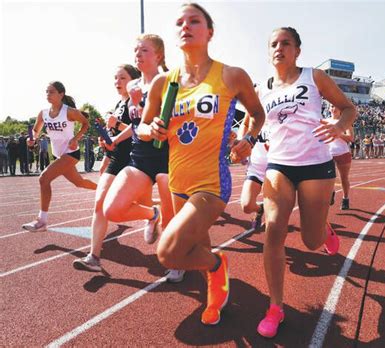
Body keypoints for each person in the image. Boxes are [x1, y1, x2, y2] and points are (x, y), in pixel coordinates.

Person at [137, 3, 264, 325]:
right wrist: (150, 128)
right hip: (177, 181)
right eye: (179, 22)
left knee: (168, 253)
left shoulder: (231, 75)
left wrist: (248, 138)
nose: (185, 26)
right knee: (197, 244)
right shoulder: (163, 83)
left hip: (211, 182)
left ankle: (216, 266)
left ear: (209, 32)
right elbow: (142, 124)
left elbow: (257, 114)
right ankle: (215, 290)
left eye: (194, 20)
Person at [256, 27, 357, 338]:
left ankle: (324, 230)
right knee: (274, 229)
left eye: (286, 43)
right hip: (279, 166)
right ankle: (275, 307)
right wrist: (246, 140)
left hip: (315, 165)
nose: (279, 48)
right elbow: (257, 122)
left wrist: (340, 125)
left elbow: (349, 108)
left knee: (311, 241)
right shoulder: (264, 89)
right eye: (274, 43)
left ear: (297, 50)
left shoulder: (314, 77)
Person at [102, 34, 184, 282]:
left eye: (144, 50)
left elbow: (167, 118)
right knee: (112, 210)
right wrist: (115, 135)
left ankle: (177, 260)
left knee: (173, 218)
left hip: (167, 155)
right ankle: (151, 214)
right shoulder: (132, 86)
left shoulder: (171, 82)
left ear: (158, 55)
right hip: (139, 157)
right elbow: (136, 123)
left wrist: (140, 103)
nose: (138, 54)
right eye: (136, 50)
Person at [73, 64, 141, 272]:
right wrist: (107, 140)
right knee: (100, 204)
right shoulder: (119, 103)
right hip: (115, 157)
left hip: (134, 159)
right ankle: (94, 257)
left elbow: (140, 127)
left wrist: (118, 126)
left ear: (134, 80)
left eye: (122, 78)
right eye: (115, 78)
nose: (117, 82)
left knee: (123, 207)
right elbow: (116, 135)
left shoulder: (137, 101)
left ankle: (153, 214)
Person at [22, 81, 97, 232]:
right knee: (80, 183)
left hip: (70, 153)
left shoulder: (69, 111)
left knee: (44, 178)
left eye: (51, 92)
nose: (48, 95)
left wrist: (75, 139)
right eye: (47, 92)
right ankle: (105, 190)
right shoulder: (43, 113)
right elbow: (35, 132)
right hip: (58, 155)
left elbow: (85, 123)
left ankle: (41, 221)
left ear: (61, 94)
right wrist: (31, 140)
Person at [328, 104, 354, 210]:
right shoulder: (324, 121)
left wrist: (338, 132)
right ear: (329, 108)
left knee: (344, 178)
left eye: (336, 107)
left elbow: (351, 138)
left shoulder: (345, 123)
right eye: (332, 106)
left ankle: (345, 198)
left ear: (340, 110)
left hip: (342, 153)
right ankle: (331, 192)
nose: (334, 108)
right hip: (327, 154)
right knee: (328, 178)